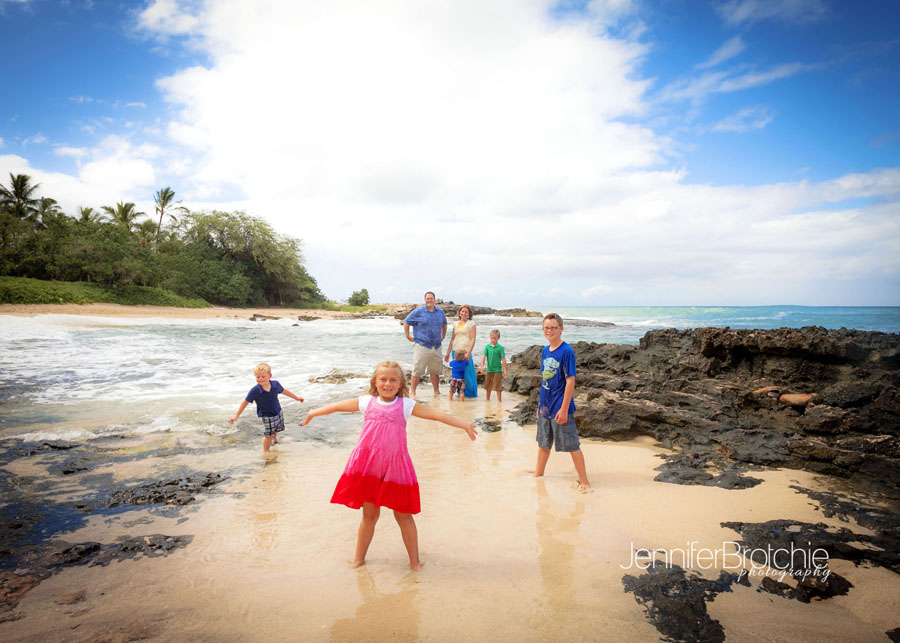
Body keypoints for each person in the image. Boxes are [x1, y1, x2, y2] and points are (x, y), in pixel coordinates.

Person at [301, 361, 477, 570]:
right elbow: (338, 406)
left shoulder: (405, 405)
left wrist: (464, 424)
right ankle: (359, 559)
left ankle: (415, 562)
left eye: (393, 380)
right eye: (383, 379)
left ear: (400, 383)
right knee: (369, 516)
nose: (388, 384)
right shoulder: (367, 402)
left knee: (404, 516)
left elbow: (437, 415)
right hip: (369, 468)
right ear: (375, 382)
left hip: (396, 469)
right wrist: (313, 412)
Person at [533, 314, 593, 493]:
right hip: (545, 406)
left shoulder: (567, 351)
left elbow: (570, 381)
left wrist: (564, 409)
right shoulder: (545, 351)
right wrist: (539, 406)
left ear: (561, 329)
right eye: (546, 328)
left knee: (572, 445)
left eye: (553, 327)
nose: (549, 331)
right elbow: (544, 380)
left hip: (560, 406)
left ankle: (585, 482)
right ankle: (538, 475)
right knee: (543, 444)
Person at [229, 363, 304, 452]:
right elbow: (245, 402)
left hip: (278, 411)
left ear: (270, 376)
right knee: (269, 436)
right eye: (258, 377)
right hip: (267, 415)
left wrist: (296, 398)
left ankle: (275, 439)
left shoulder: (275, 384)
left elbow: (284, 391)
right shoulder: (255, 391)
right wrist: (236, 415)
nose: (260, 379)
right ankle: (266, 451)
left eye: (263, 376)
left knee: (277, 428)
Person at [403, 292, 447, 397]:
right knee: (417, 370)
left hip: (436, 346)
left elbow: (444, 324)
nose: (429, 300)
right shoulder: (418, 312)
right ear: (425, 300)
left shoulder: (440, 312)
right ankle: (413, 392)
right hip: (422, 345)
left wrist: (443, 336)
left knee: (435, 371)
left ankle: (436, 392)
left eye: (431, 298)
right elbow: (406, 321)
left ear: (434, 300)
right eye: (427, 299)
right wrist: (407, 335)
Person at [444, 304, 477, 398]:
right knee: (458, 374)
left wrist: (468, 353)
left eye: (466, 312)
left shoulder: (471, 324)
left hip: (465, 352)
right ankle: (460, 393)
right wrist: (447, 353)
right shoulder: (455, 323)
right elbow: (452, 339)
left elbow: (473, 339)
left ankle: (470, 395)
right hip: (455, 352)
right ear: (459, 313)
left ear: (469, 314)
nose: (464, 313)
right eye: (462, 311)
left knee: (467, 375)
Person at [479, 329, 508, 401]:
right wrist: (482, 366)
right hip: (489, 370)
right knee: (488, 386)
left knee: (498, 386)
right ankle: (487, 400)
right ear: (490, 337)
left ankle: (499, 401)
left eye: (495, 338)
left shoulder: (500, 348)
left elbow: (503, 359)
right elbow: (483, 357)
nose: (493, 340)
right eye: (492, 338)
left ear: (498, 338)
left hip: (497, 370)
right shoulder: (487, 347)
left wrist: (505, 371)